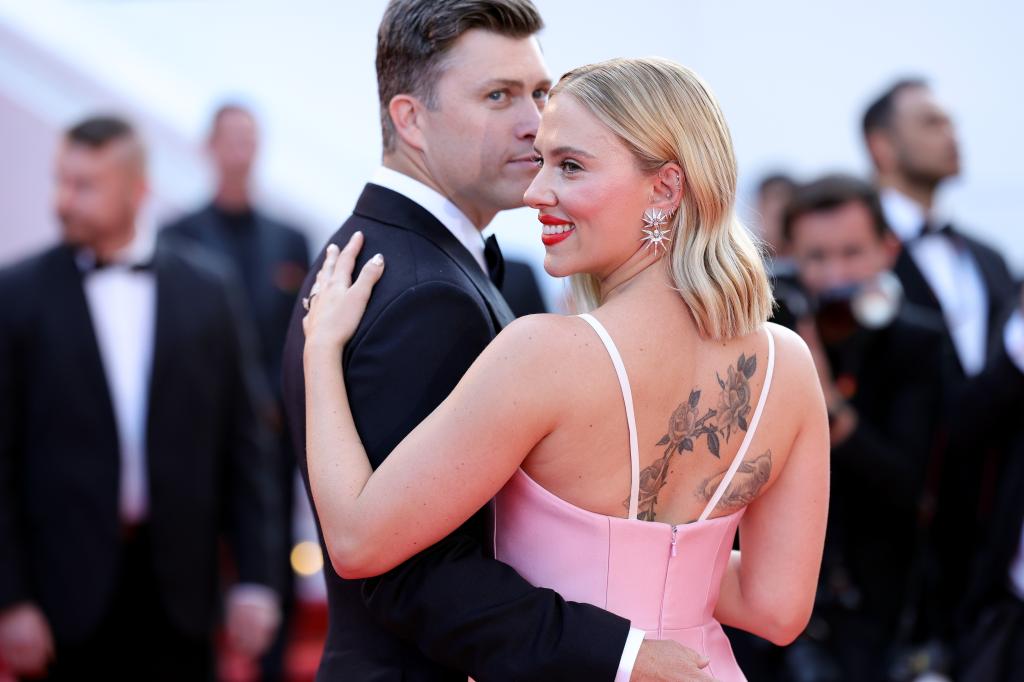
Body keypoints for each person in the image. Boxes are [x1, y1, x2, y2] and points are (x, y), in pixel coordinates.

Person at [299, 57, 830, 681]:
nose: (535, 192)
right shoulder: (789, 364)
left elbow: (359, 542)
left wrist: (319, 351)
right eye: (544, 160)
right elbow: (778, 608)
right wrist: (670, 573)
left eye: (571, 166)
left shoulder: (546, 355)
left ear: (666, 187)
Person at [0, 115, 282, 681]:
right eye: (61, 181)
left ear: (137, 189)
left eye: (85, 185)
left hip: (181, 591)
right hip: (61, 601)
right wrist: (11, 600)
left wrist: (257, 576)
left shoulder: (209, 289)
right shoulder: (17, 294)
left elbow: (243, 444)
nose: (63, 200)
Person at [863, 78, 1024, 648]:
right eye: (931, 122)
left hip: (993, 537)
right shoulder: (853, 253)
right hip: (891, 536)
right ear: (881, 146)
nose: (952, 134)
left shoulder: (989, 257)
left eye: (952, 122)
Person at [161, 102, 310, 680]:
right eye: (230, 139)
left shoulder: (290, 238)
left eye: (249, 138)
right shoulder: (176, 237)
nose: (239, 150)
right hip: (197, 433)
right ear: (209, 147)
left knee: (270, 552)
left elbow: (302, 335)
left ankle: (271, 668)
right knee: (193, 550)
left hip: (271, 434)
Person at [782, 174, 948, 681]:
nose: (835, 274)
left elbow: (909, 484)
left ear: (888, 249)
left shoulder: (917, 344)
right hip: (778, 613)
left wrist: (826, 401)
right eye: (816, 257)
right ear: (790, 255)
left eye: (852, 253)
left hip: (881, 615)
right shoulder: (768, 337)